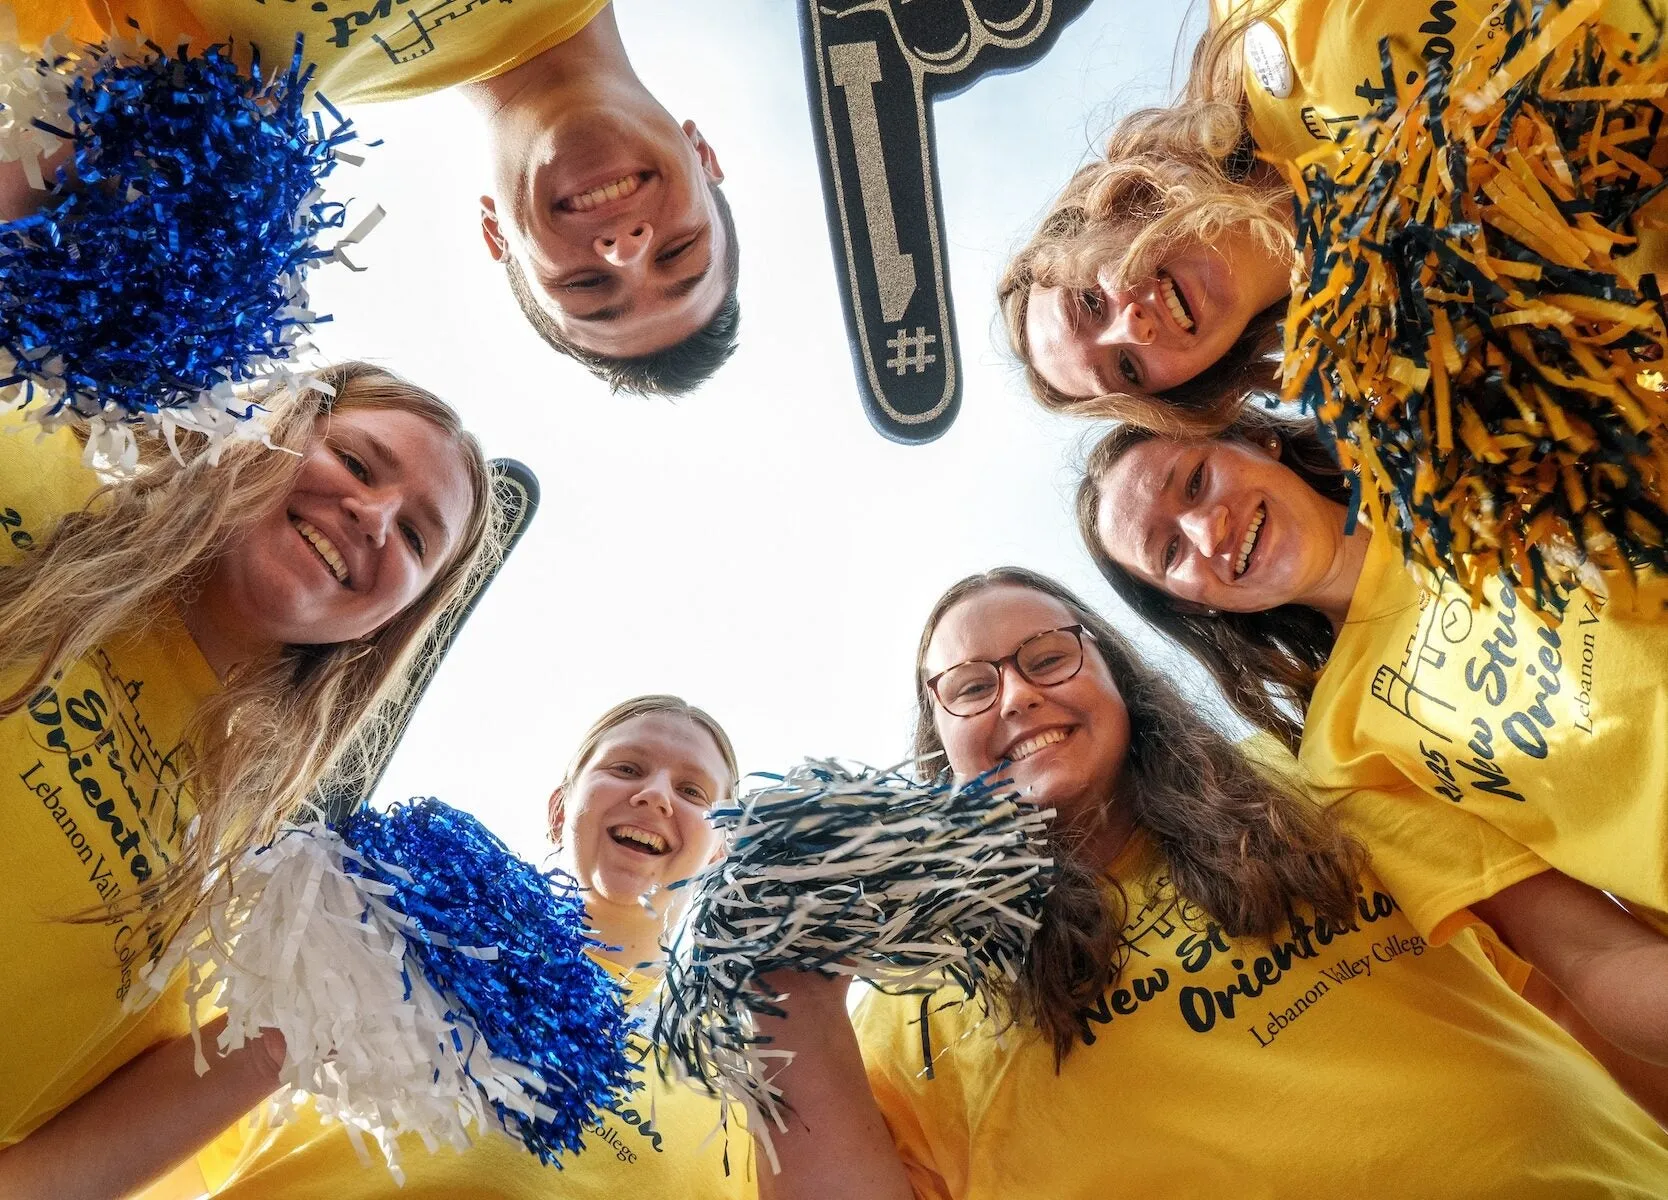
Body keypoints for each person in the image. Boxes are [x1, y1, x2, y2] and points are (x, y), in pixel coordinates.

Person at [746, 568, 1668, 1198]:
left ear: (1116, 673)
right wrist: (788, 997)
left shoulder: (1308, 779)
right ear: (938, 739)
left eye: (1048, 657)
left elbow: (1569, 981)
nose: (1017, 695)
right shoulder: (919, 1001)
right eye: (970, 687)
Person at [0, 362, 500, 1164]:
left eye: (414, 538)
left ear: (393, 621)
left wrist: (333, 1008)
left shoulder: (234, 887)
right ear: (275, 421)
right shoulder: (35, 454)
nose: (374, 518)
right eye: (357, 462)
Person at [1079, 416, 1668, 1084]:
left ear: (1255, 440)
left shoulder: (1463, 454)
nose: (1205, 531)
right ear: (1192, 606)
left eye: (1195, 481)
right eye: (1168, 553)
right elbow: (1591, 957)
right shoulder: (1344, 752)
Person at [0, 695, 760, 1200]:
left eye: (693, 791)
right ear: (561, 809)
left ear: (721, 850)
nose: (655, 795)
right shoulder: (384, 922)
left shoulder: (737, 1090)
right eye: (626, 768)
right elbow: (167, 1137)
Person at [5, 1, 739, 396]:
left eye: (584, 285)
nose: (624, 249)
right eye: (680, 251)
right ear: (704, 155)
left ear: (496, 235)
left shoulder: (229, 79)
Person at [997, 0, 1658, 428]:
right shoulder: (1416, 371)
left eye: (1090, 303)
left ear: (1109, 212)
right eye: (1127, 371)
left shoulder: (1259, 19)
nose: (1132, 329)